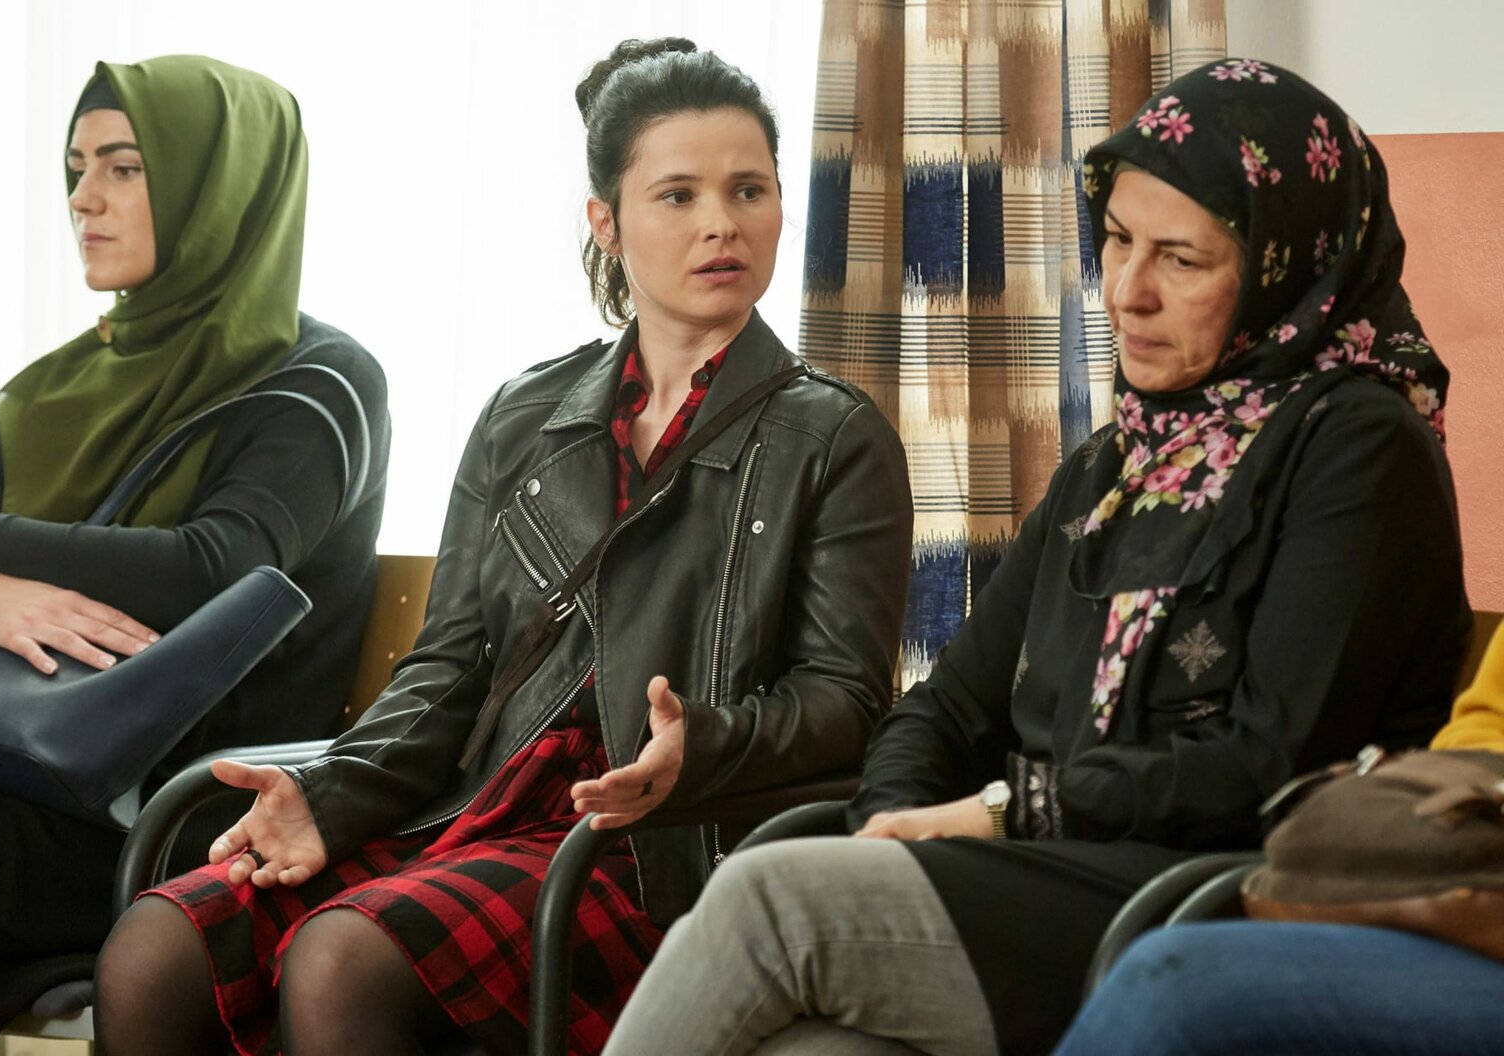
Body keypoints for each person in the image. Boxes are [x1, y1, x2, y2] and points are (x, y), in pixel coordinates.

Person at [602, 57, 1468, 1056]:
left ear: (1288, 270)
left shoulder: (1357, 450)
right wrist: (892, 826)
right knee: (811, 1050)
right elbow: (946, 708)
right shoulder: (1114, 464)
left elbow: (1268, 770)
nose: (1127, 293)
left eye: (1182, 260)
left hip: (1208, 906)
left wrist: (1006, 813)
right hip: (1047, 880)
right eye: (1118, 240)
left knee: (772, 900)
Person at [93, 37, 912, 1056]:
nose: (721, 223)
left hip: (656, 846)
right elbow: (447, 666)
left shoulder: (834, 437)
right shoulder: (524, 417)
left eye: (750, 190)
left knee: (341, 959)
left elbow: (846, 700)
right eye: (678, 195)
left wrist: (701, 745)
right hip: (480, 803)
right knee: (154, 947)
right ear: (606, 222)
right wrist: (331, 792)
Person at [0, 56, 389, 1054]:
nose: (84, 197)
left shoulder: (317, 386)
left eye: (125, 167)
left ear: (223, 185)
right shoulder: (49, 392)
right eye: (76, 167)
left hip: (172, 809)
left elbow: (217, 568)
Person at [1051, 620, 1504, 1056]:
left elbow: (1253, 766)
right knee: (1169, 966)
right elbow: (1481, 729)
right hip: (1467, 898)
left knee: (1180, 988)